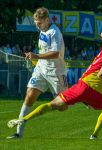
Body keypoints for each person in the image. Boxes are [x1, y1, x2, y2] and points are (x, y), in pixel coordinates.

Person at [7, 32, 102, 140]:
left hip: (85, 86)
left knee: (53, 104)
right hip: (100, 93)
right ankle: (94, 135)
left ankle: (23, 119)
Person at [7, 7, 67, 139]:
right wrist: (36, 58)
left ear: (47, 20)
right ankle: (18, 133)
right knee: (29, 96)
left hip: (56, 72)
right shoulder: (43, 29)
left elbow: (56, 53)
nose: (37, 25)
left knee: (63, 107)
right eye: (35, 23)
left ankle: (78, 95)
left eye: (39, 23)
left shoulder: (54, 32)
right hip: (41, 69)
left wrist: (36, 56)